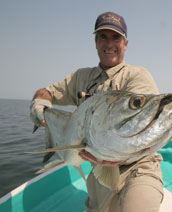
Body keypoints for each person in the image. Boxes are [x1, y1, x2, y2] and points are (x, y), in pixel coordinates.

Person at [30, 12, 164, 212]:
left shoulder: (137, 76)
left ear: (125, 43)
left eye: (116, 37)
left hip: (139, 167)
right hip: (99, 170)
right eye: (103, 36)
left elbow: (142, 127)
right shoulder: (81, 77)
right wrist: (39, 105)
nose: (109, 44)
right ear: (95, 42)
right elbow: (47, 92)